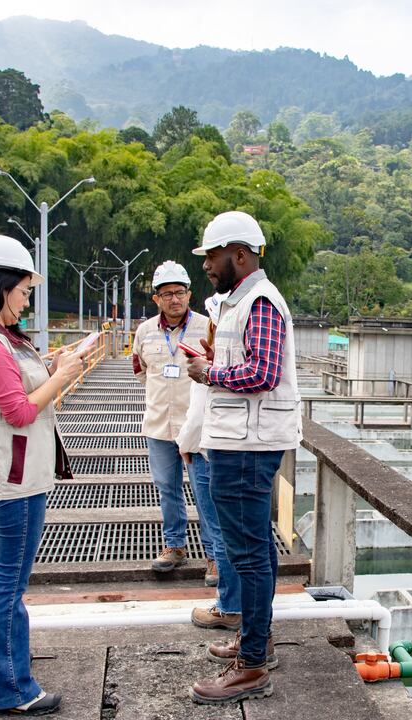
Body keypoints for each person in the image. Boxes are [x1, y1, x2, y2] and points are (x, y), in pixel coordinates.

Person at [0, 234, 83, 716]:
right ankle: (10, 688)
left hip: (14, 471)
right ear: (0, 284)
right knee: (11, 582)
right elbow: (18, 411)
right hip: (13, 477)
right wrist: (65, 374)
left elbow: (16, 387)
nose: (28, 299)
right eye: (25, 290)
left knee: (0, 576)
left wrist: (51, 365)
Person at [186, 211, 302, 705]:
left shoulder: (260, 301)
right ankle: (258, 642)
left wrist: (208, 372)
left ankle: (252, 664)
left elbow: (264, 374)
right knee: (248, 549)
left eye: (212, 257)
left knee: (250, 552)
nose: (208, 267)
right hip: (240, 440)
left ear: (239, 253)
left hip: (249, 446)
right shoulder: (239, 303)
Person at [131, 261, 212, 575]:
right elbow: (139, 371)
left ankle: (214, 555)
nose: (174, 299)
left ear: (189, 294)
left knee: (205, 491)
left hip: (197, 427)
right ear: (156, 299)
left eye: (179, 292)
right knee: (168, 487)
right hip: (159, 425)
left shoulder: (207, 327)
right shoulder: (145, 331)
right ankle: (175, 545)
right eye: (167, 294)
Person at [177, 293, 242, 631]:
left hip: (207, 453)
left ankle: (229, 606)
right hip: (232, 451)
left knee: (220, 533)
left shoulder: (215, 368)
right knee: (234, 533)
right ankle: (237, 604)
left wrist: (183, 443)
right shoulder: (234, 360)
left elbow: (199, 414)